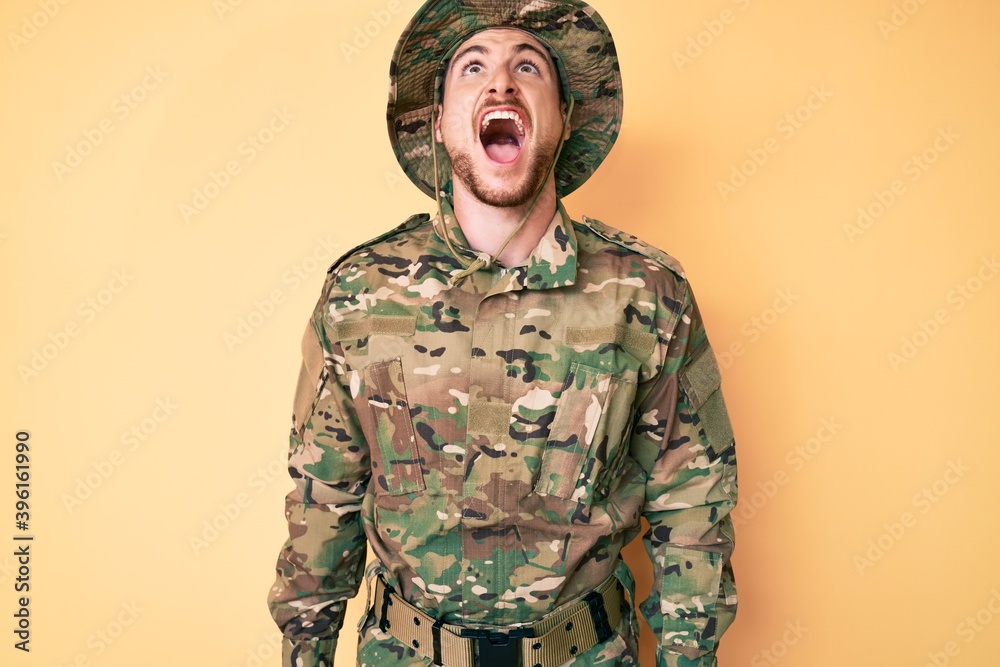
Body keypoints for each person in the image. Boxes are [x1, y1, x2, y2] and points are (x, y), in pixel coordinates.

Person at [267, 1, 738, 665]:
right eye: (472, 67)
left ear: (564, 117)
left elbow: (695, 506)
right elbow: (323, 501)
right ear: (438, 121)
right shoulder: (359, 294)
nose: (501, 84)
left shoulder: (649, 294)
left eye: (528, 66)